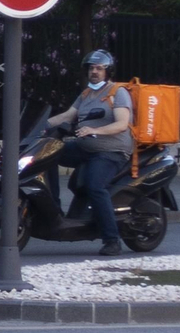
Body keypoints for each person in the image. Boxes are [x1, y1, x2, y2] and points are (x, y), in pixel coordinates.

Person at [44, 49, 133, 256]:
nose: (95, 72)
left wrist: (95, 130)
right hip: (85, 148)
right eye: (92, 68)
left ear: (108, 71)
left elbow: (122, 124)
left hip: (111, 152)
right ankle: (54, 209)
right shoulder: (86, 94)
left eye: (99, 68)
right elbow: (67, 115)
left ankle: (112, 240)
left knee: (95, 186)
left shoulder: (117, 92)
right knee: (48, 154)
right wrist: (40, 126)